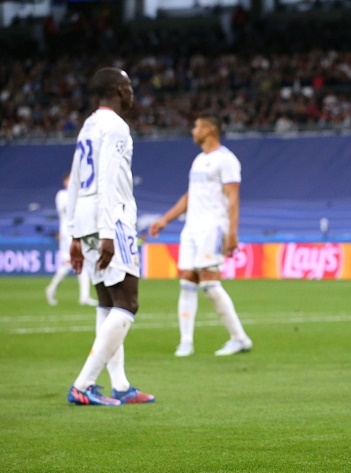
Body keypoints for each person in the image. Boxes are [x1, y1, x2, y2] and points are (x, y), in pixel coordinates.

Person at [66, 67, 155, 406]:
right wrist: (108, 231)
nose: (132, 92)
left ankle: (120, 385)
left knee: (107, 301)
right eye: (129, 86)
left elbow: (76, 179)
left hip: (86, 217)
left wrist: (75, 233)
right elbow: (107, 180)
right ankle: (84, 385)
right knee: (128, 302)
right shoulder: (116, 126)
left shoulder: (89, 125)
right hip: (111, 219)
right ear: (120, 89)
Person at [148, 114, 252, 357]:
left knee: (209, 283)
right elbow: (190, 196)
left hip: (213, 228)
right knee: (187, 280)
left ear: (209, 130)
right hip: (192, 228)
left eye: (196, 127)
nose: (193, 131)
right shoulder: (198, 160)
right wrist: (165, 219)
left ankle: (239, 338)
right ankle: (186, 342)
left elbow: (233, 198)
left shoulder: (226, 160)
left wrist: (232, 232)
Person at [45, 172, 98, 307]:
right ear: (65, 182)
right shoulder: (62, 195)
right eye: (70, 180)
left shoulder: (80, 195)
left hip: (79, 232)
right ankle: (52, 288)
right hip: (68, 234)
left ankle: (84, 296)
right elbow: (67, 209)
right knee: (71, 263)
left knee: (81, 263)